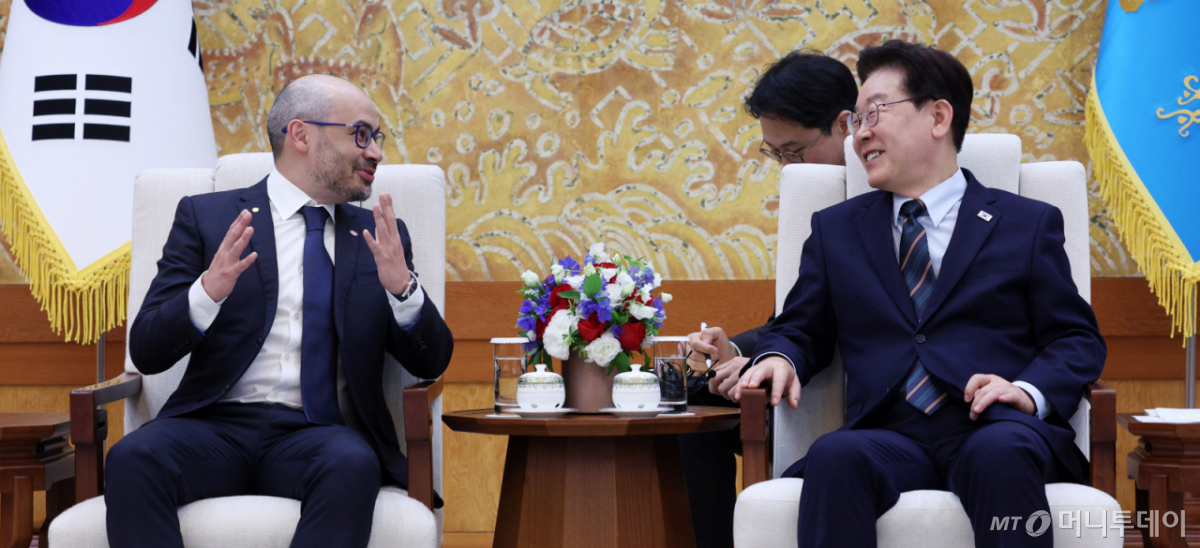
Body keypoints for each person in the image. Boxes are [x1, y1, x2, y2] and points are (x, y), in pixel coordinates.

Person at [735, 40, 1105, 548]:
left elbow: (1076, 339)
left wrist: (1027, 391)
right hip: (889, 433)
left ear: (938, 117)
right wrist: (779, 355)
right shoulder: (836, 230)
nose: (860, 132)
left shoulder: (1025, 223)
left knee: (1000, 452)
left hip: (992, 426)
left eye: (875, 112)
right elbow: (800, 328)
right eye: (857, 119)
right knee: (835, 456)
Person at [106, 75, 454, 548]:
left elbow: (430, 362)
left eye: (377, 138)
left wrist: (403, 289)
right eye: (361, 134)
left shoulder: (379, 237)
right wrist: (206, 293)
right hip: (212, 428)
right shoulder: (208, 218)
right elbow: (147, 350)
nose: (375, 152)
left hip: (321, 436)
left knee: (353, 462)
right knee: (132, 457)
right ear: (301, 135)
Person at [678, 51, 857, 548]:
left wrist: (760, 358)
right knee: (694, 390)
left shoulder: (878, 193)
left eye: (795, 151)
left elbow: (843, 316)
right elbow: (803, 314)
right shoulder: (814, 199)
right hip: (806, 363)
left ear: (845, 125)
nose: (785, 169)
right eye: (775, 154)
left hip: (866, 387)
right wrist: (738, 353)